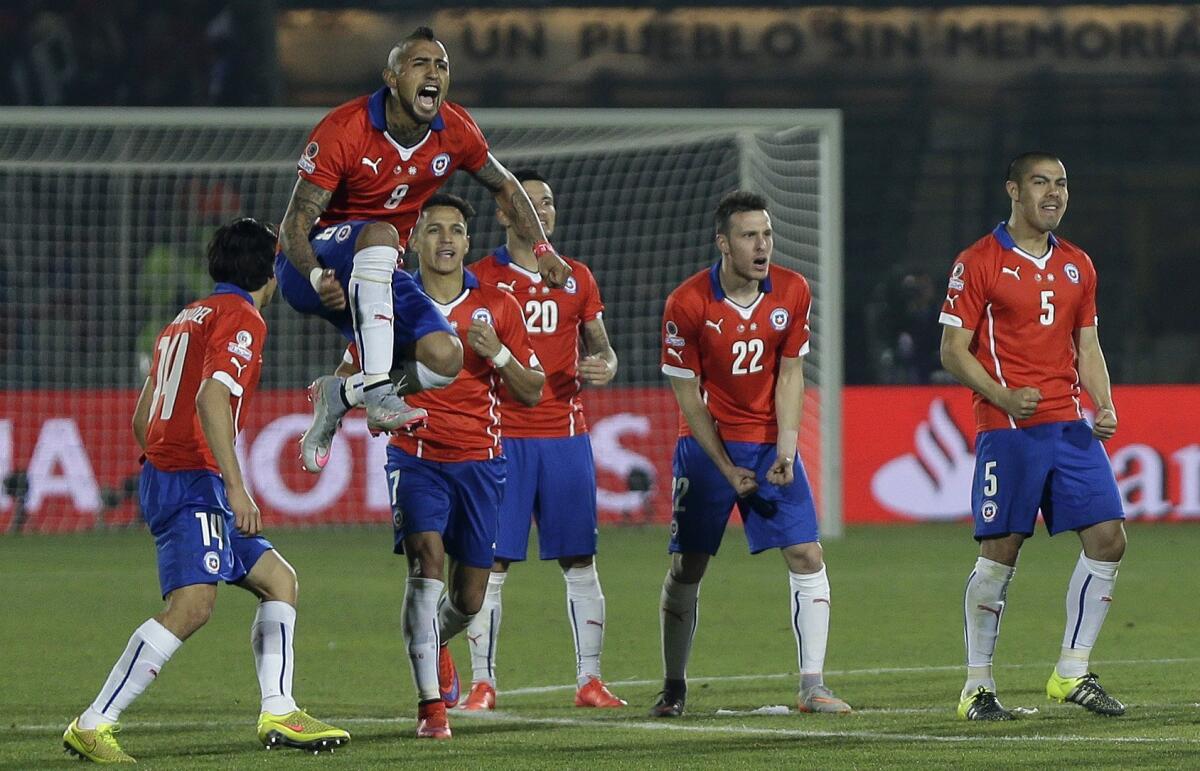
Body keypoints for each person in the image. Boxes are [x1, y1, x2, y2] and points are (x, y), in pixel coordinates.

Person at [62, 219, 349, 764]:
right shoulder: (242, 318)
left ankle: (279, 709)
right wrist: (233, 488)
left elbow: (143, 417)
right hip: (195, 482)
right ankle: (94, 722)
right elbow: (211, 399)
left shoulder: (185, 317)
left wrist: (168, 467)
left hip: (178, 476)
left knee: (278, 581)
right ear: (272, 269)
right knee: (193, 606)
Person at [275, 26, 569, 473]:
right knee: (381, 234)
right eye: (420, 64)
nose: (433, 73)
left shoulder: (455, 130)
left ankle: (341, 394)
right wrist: (316, 275)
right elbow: (294, 224)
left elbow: (506, 186)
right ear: (391, 79)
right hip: (309, 267)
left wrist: (543, 249)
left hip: (377, 269)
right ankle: (376, 392)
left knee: (444, 356)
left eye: (442, 65)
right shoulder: (346, 128)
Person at [940, 152, 1126, 721]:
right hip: (1009, 429)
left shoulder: (1078, 265)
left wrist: (1105, 401)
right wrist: (1000, 395)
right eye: (1041, 183)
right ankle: (977, 687)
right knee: (1001, 552)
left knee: (1109, 539)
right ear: (1013, 192)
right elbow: (951, 351)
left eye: (1062, 183)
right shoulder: (978, 262)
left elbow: (1086, 344)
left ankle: (1071, 671)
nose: (1054, 193)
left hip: (1069, 427)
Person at [652, 191, 850, 718]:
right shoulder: (688, 302)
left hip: (767, 446)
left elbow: (790, 373)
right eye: (748, 236)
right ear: (723, 243)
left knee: (807, 555)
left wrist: (787, 448)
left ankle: (813, 686)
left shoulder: (792, 290)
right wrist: (725, 468)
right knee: (688, 566)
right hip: (706, 446)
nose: (762, 246)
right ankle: (674, 687)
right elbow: (688, 398)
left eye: (766, 234)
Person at [382, 194, 543, 739]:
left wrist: (497, 353)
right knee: (424, 563)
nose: (445, 239)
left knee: (470, 598)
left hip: (481, 463)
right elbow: (355, 373)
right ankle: (431, 710)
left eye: (455, 230)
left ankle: (438, 639)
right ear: (415, 241)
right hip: (416, 456)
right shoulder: (392, 303)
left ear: (468, 243)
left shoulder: (498, 305)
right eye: (433, 230)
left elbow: (532, 391)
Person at [462, 170, 624, 710]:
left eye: (548, 202)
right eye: (529, 204)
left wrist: (606, 365)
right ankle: (483, 683)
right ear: (505, 214)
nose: (542, 211)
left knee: (580, 559)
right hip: (500, 437)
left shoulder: (577, 277)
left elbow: (604, 350)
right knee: (492, 564)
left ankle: (590, 680)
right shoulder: (478, 276)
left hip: (565, 437)